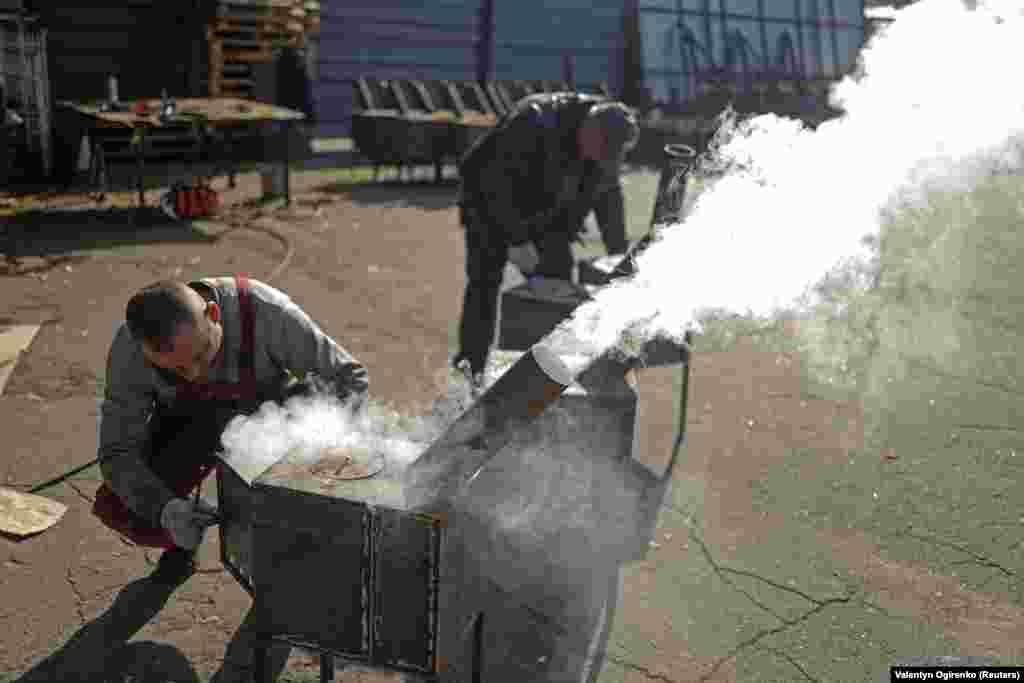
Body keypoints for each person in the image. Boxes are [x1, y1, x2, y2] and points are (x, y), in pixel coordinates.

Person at [92, 275, 369, 584]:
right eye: (177, 370)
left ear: (213, 315)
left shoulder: (265, 311)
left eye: (201, 355)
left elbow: (350, 379)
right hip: (189, 426)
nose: (196, 374)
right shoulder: (130, 349)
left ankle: (297, 555)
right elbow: (117, 453)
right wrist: (166, 509)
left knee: (296, 514)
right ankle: (182, 540)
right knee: (119, 506)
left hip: (270, 419)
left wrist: (308, 443)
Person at [452, 92, 640, 379]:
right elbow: (494, 184)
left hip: (546, 210)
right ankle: (470, 367)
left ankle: (546, 375)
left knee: (557, 284)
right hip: (488, 204)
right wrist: (516, 240)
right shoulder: (533, 122)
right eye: (600, 151)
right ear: (589, 130)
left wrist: (618, 254)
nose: (600, 160)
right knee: (485, 284)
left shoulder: (604, 138)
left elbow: (609, 199)